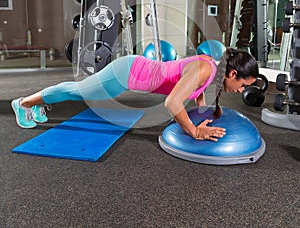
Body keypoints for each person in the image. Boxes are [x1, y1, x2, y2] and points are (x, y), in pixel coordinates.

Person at [11, 47, 259, 141]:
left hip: (134, 69)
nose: (241, 91)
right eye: (244, 85)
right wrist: (194, 131)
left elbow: (196, 92)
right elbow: (172, 102)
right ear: (233, 74)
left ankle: (33, 105)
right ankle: (22, 103)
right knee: (76, 92)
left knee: (77, 92)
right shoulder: (206, 68)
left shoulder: (212, 68)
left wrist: (200, 113)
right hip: (125, 74)